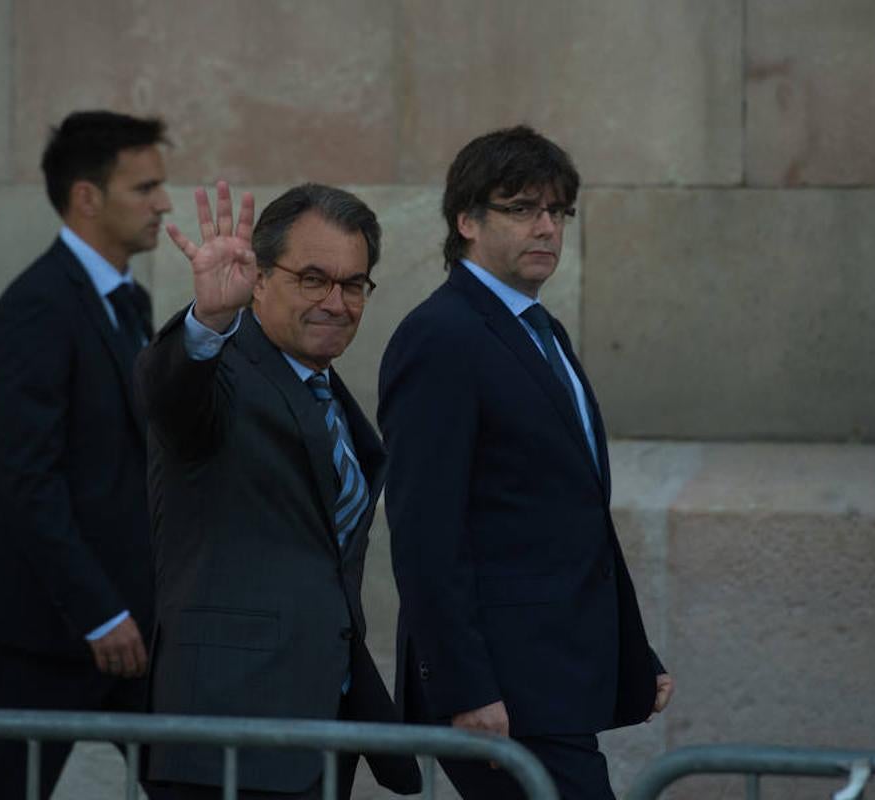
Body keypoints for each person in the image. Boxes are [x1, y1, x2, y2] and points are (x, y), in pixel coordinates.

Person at [378, 125, 675, 799]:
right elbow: (426, 533)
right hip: (500, 697)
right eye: (522, 209)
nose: (546, 228)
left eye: (558, 212)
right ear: (467, 221)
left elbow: (570, 517)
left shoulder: (538, 330)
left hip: (553, 681)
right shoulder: (442, 335)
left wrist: (632, 649)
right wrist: (466, 689)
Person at [136, 181, 421, 799]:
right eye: (312, 278)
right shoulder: (224, 373)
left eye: (353, 284)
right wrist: (208, 321)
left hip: (319, 731)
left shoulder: (331, 397)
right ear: (259, 279)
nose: (335, 302)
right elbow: (169, 397)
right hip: (227, 737)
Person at [0, 110, 171, 799]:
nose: (164, 202)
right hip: (49, 630)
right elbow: (25, 484)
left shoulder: (127, 302)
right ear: (86, 197)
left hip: (132, 625)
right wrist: (98, 613)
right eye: (145, 188)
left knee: (186, 783)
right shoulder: (38, 308)